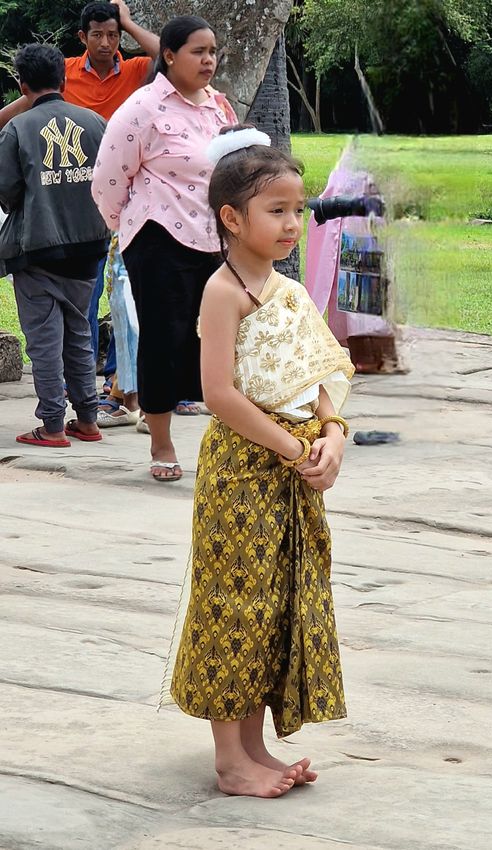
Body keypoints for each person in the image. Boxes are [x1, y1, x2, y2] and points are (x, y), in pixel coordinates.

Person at [160, 125, 355, 798]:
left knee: (276, 603)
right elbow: (219, 394)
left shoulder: (289, 291)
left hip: (293, 468)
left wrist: (332, 431)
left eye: (298, 209)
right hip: (245, 470)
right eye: (277, 210)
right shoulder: (225, 292)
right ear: (231, 217)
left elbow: (325, 367)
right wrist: (296, 446)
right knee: (234, 602)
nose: (293, 223)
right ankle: (229, 759)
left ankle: (255, 744)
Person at [92, 15, 237, 481]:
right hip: (157, 239)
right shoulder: (143, 108)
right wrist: (129, 230)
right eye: (198, 51)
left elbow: (235, 170)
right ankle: (161, 442)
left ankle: (231, 435)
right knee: (164, 337)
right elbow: (108, 180)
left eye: (213, 51)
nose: (209, 60)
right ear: (169, 55)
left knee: (218, 339)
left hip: (214, 239)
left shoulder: (219, 109)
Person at [0, 2, 160, 389]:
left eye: (113, 35)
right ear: (82, 38)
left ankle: (120, 381)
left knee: (126, 293)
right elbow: (33, 100)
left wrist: (129, 23)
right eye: (97, 35)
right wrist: (34, 103)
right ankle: (84, 384)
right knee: (81, 302)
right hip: (70, 198)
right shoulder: (66, 72)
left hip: (123, 196)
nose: (106, 43)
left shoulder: (136, 69)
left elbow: (164, 52)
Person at [0, 44, 108, 446]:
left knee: (44, 340)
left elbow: (6, 189)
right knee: (79, 332)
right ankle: (88, 419)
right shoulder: (95, 121)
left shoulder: (18, 128)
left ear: (22, 84)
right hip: (89, 247)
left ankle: (51, 425)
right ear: (64, 79)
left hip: (39, 249)